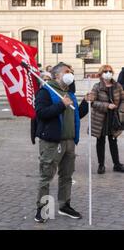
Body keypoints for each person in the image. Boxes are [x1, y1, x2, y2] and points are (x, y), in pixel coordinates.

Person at [34, 62, 91, 223]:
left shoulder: (69, 92)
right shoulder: (46, 91)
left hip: (69, 142)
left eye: (71, 71)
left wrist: (85, 103)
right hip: (52, 142)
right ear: (57, 75)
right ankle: (43, 209)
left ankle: (64, 205)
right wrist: (60, 105)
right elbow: (41, 113)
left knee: (66, 176)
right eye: (67, 71)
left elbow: (76, 115)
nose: (70, 74)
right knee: (46, 176)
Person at [90, 65, 124, 174]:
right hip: (101, 118)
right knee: (100, 142)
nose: (108, 73)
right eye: (105, 71)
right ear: (101, 73)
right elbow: (93, 102)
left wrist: (120, 110)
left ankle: (117, 164)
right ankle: (101, 165)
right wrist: (106, 105)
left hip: (114, 117)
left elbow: (123, 100)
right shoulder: (96, 86)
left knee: (113, 141)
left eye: (110, 71)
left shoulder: (117, 86)